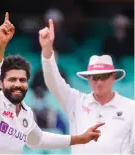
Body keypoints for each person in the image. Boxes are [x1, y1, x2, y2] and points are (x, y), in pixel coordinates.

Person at [0, 13, 104, 154]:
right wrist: (2, 43)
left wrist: (80, 139)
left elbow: (40, 139)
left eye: (22, 80)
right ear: (0, 83)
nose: (18, 84)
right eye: (12, 80)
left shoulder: (26, 114)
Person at [40, 19, 135, 154]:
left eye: (104, 77)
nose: (99, 82)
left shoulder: (131, 108)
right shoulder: (76, 102)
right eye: (95, 77)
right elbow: (53, 82)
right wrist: (47, 50)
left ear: (113, 77)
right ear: (88, 79)